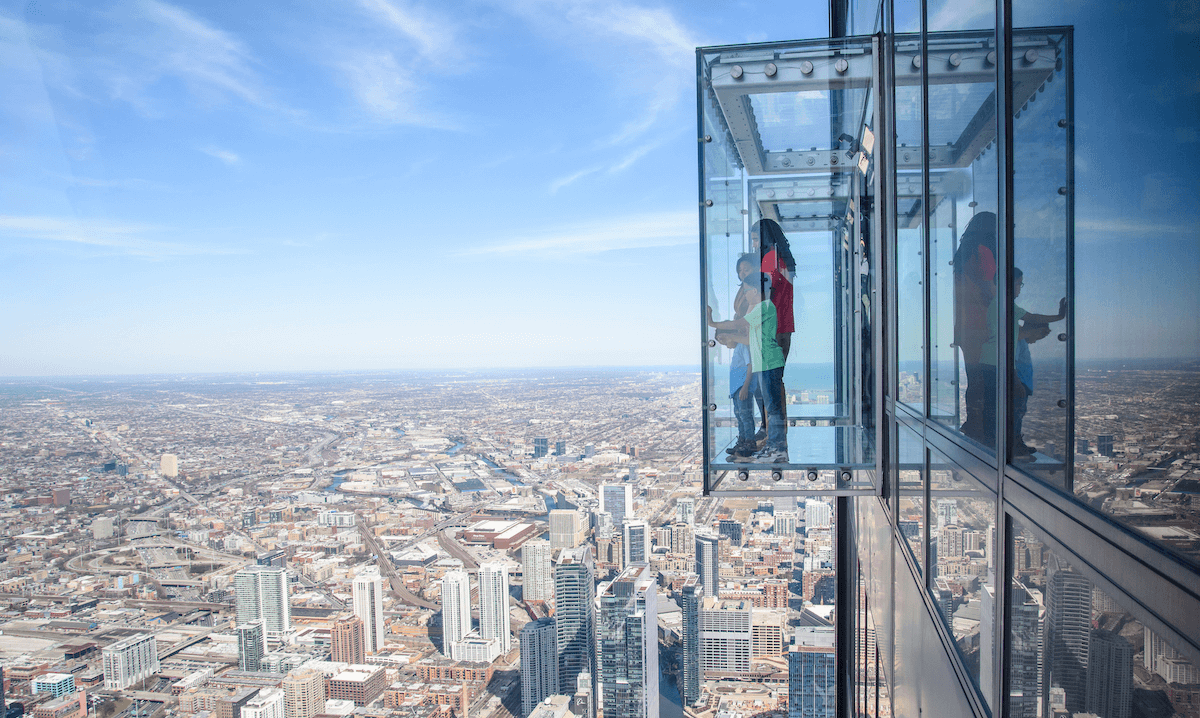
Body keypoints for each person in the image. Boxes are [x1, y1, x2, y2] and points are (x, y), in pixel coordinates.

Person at [709, 273, 788, 463]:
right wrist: (730, 339)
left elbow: (738, 324)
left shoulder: (764, 307)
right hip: (765, 363)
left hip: (769, 362)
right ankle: (773, 447)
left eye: (745, 291)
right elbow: (750, 341)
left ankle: (777, 449)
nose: (744, 295)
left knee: (773, 409)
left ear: (754, 290)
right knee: (770, 407)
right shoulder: (763, 309)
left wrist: (712, 323)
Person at [1007, 268, 1067, 457]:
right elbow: (1032, 318)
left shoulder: (1012, 316)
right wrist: (1059, 317)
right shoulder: (1011, 314)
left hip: (1020, 377)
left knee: (1018, 410)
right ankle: (1014, 443)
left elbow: (1031, 318)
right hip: (1019, 378)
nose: (1020, 289)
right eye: (1018, 284)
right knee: (1018, 410)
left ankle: (1014, 441)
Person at [952, 212, 998, 445]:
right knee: (990, 378)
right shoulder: (983, 251)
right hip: (984, 325)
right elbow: (991, 290)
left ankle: (974, 424)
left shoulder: (962, 254)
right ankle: (989, 430)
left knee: (975, 378)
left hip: (965, 327)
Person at [715, 329, 756, 459]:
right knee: (739, 416)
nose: (724, 344)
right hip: (736, 390)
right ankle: (742, 442)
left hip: (742, 388)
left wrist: (745, 387)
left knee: (745, 415)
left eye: (723, 340)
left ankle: (750, 443)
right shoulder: (738, 348)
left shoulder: (743, 346)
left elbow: (750, 366)